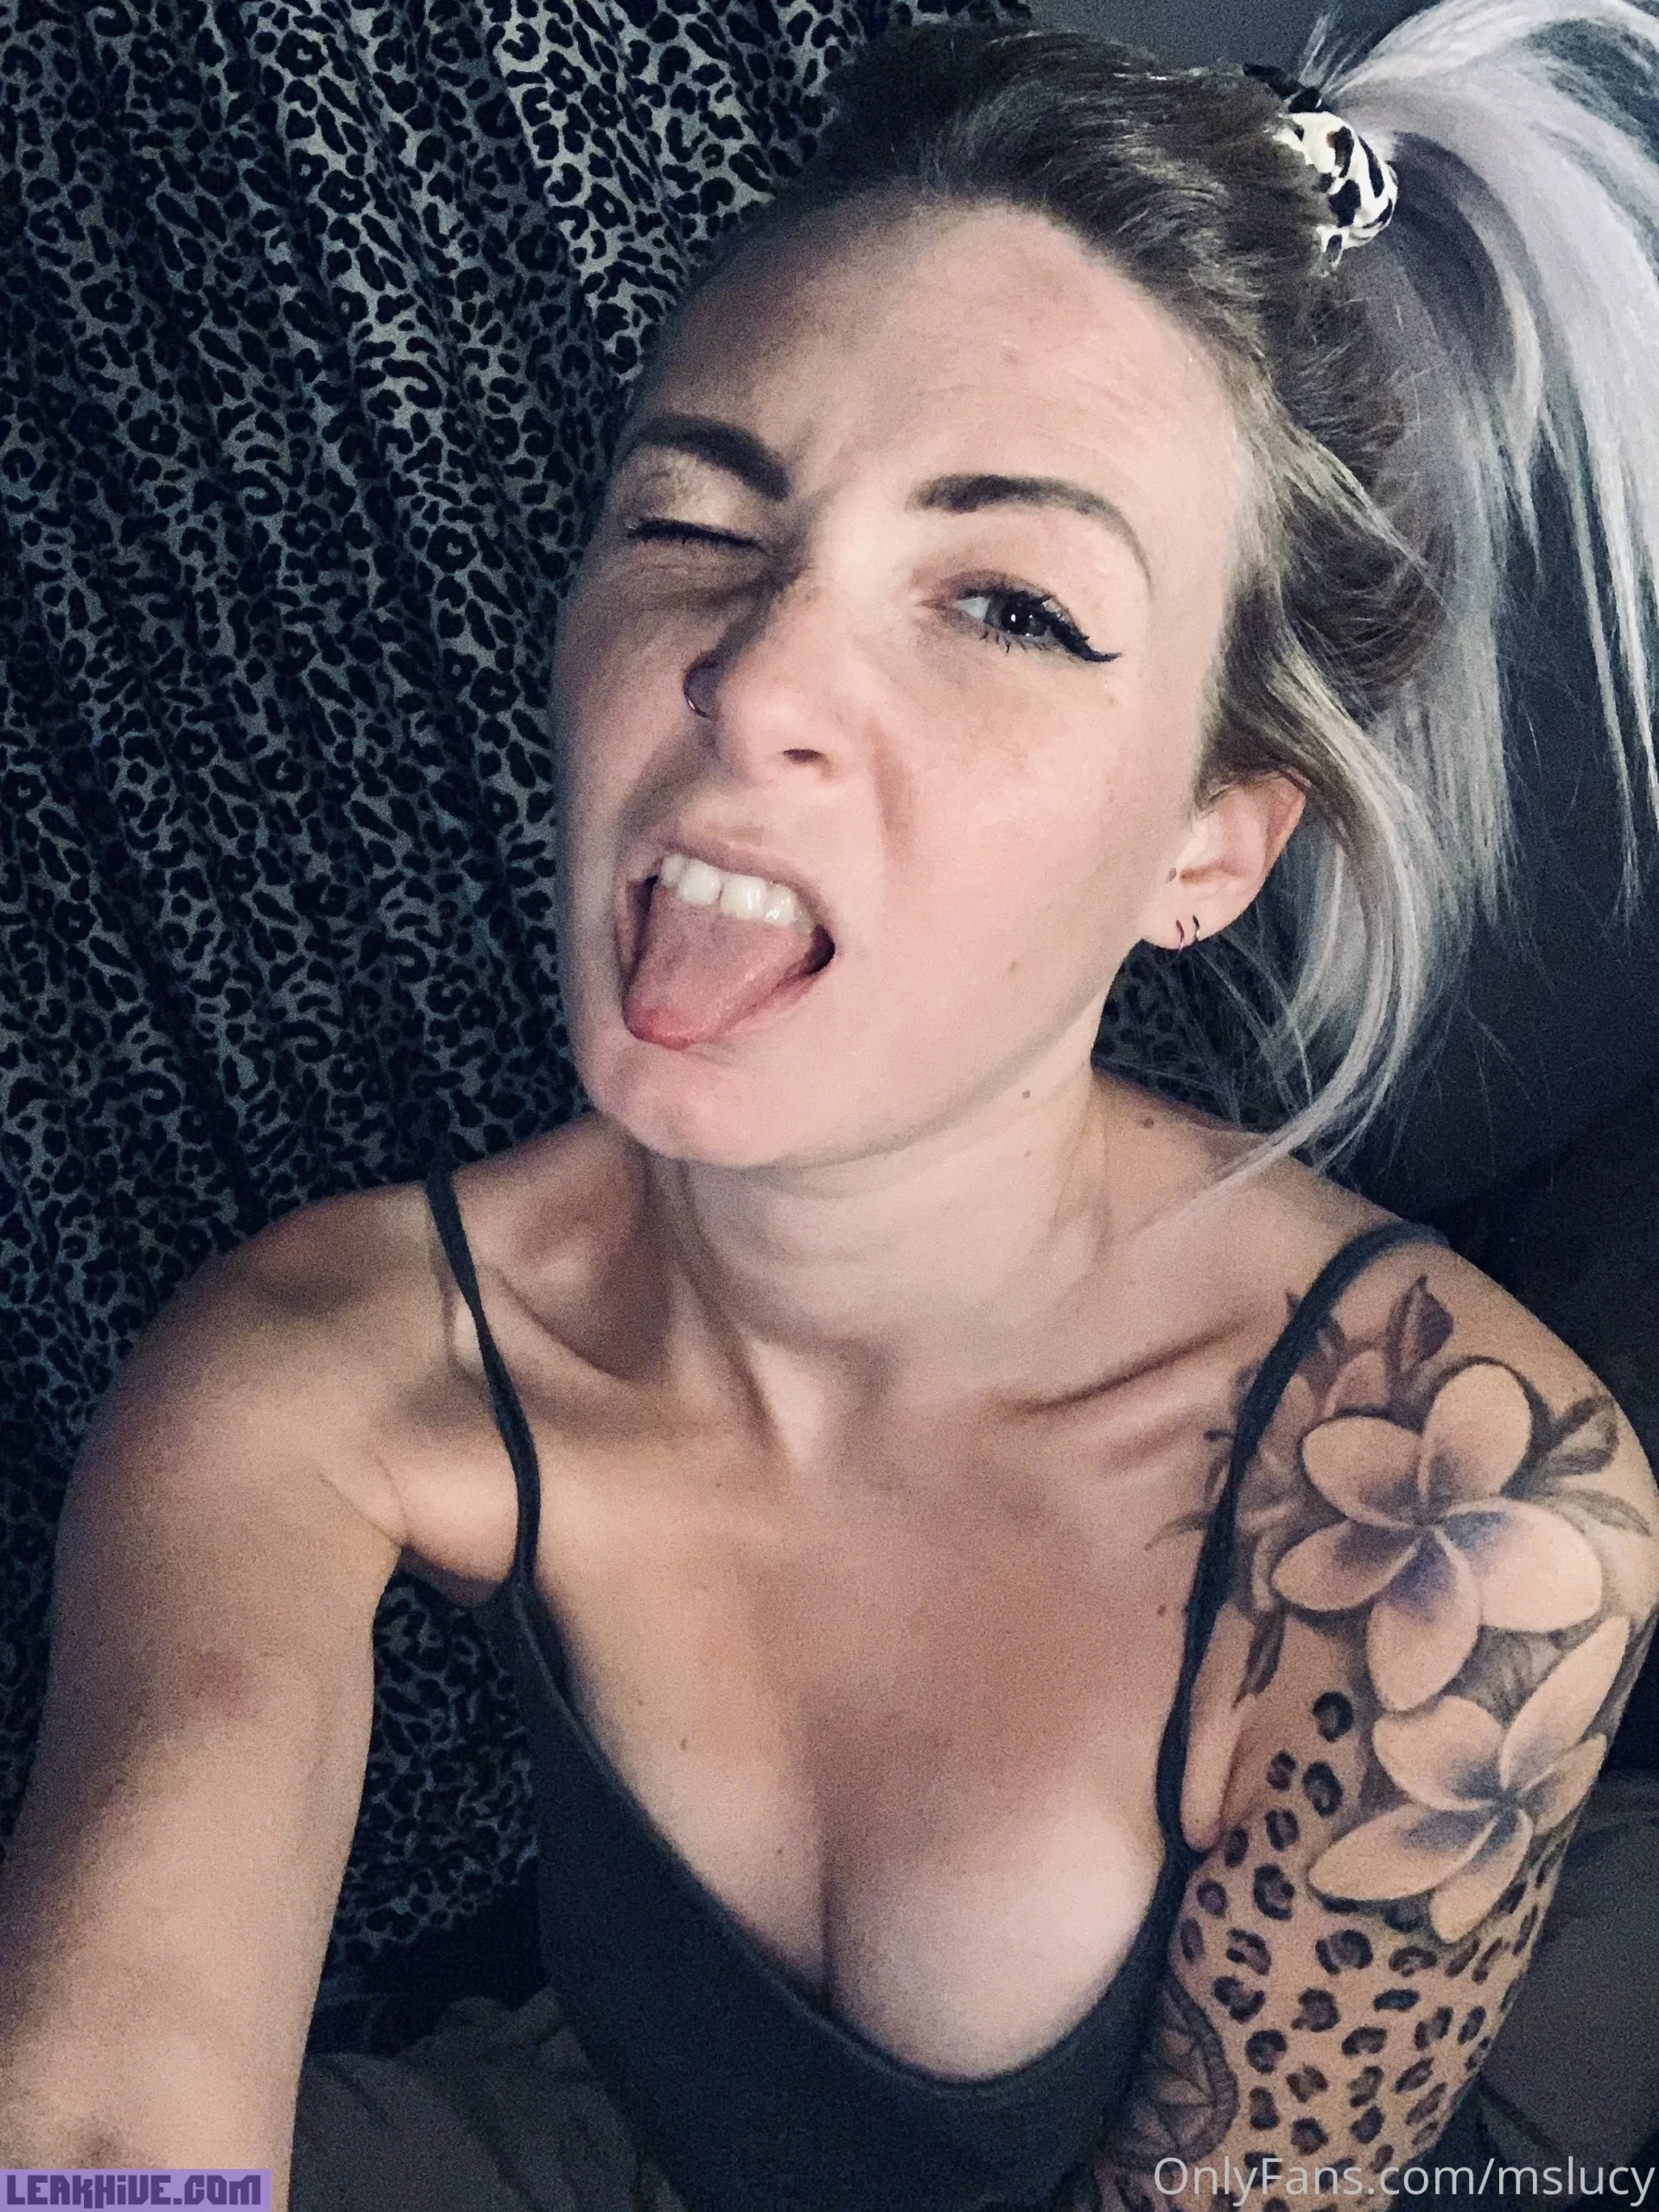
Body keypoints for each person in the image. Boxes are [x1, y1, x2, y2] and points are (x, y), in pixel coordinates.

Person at [3, 7, 1659, 2209]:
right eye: (692, 518)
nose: (755, 674)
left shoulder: (1453, 1515)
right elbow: (112, 2119)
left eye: (1010, 604)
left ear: (1207, 847)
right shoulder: (309, 1365)